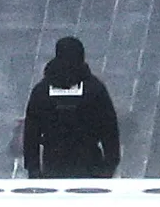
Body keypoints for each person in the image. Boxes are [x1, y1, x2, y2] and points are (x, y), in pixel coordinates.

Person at [19, 34, 122, 175]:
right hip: (90, 164)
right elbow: (109, 129)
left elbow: (31, 133)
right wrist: (110, 164)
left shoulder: (41, 90)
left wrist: (33, 167)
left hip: (53, 164)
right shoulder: (95, 89)